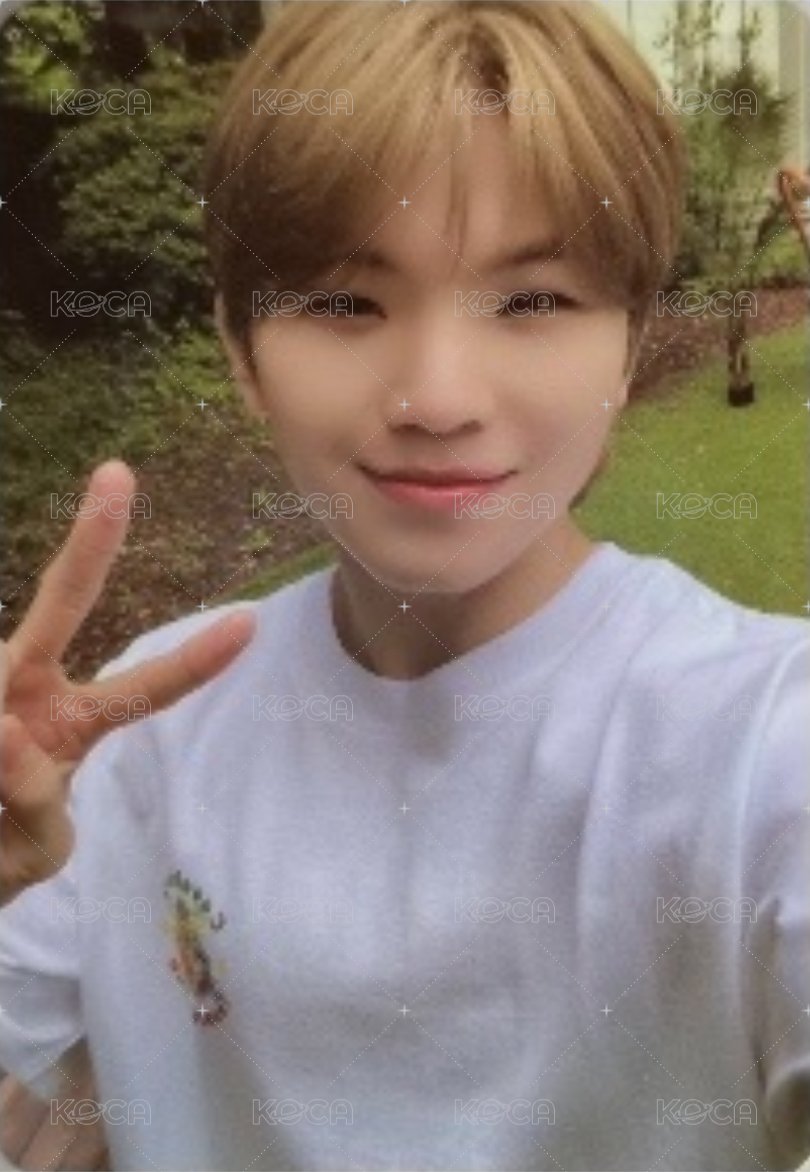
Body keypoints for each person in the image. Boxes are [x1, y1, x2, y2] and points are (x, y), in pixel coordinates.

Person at [1, 2, 808, 1169]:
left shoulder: (761, 743)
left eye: (534, 300)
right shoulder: (135, 731)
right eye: (344, 301)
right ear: (240, 351)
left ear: (630, 346)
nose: (438, 397)